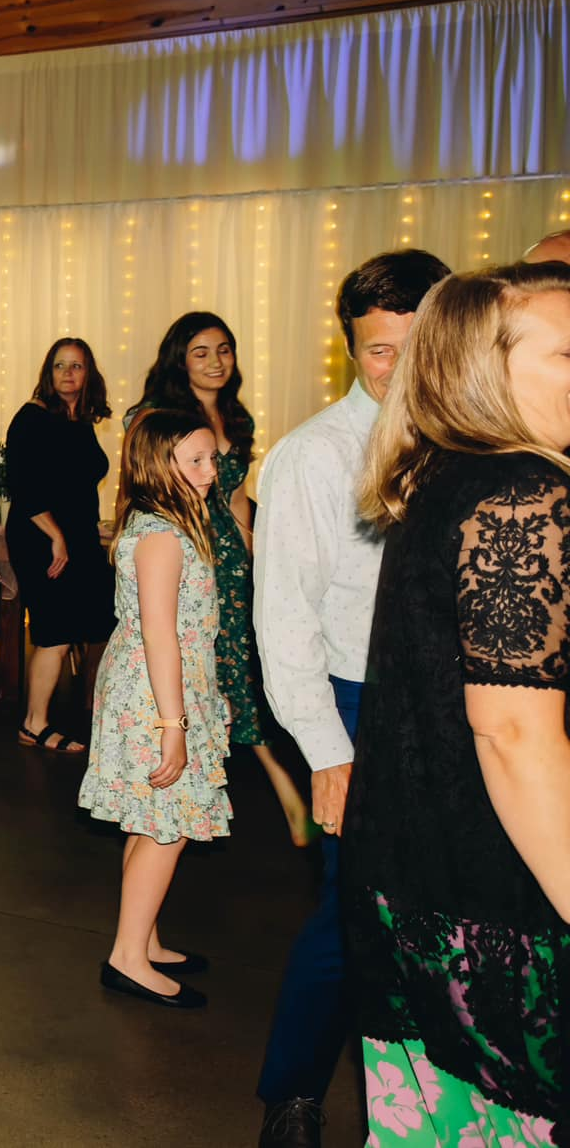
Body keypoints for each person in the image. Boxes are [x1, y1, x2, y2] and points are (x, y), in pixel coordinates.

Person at [347, 263, 570, 1145]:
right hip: (499, 901)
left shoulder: (445, 479)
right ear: (487, 368)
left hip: (416, 889)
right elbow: (514, 733)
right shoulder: (524, 494)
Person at [251, 249, 449, 1148]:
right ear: (350, 351)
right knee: (349, 911)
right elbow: (284, 624)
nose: (400, 369)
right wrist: (328, 751)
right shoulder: (312, 458)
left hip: (458, 708)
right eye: (379, 352)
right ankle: (292, 1094)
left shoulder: (476, 444)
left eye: (416, 346)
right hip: (357, 707)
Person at [133, 314, 310, 844]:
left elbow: (235, 501)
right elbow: (143, 488)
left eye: (224, 350)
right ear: (179, 359)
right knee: (205, 668)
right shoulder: (158, 417)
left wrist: (262, 560)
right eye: (201, 352)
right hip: (185, 555)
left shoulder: (235, 418)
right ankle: (257, 787)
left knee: (244, 669)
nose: (215, 361)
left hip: (232, 562)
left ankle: (263, 788)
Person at [77, 409, 230, 1010]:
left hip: (159, 682)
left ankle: (144, 937)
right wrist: (175, 726)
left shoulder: (163, 522)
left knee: (151, 820)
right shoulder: (162, 535)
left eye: (211, 458)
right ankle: (127, 958)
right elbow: (160, 635)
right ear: (155, 465)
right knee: (169, 824)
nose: (210, 472)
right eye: (195, 460)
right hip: (157, 691)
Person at [4, 338, 117, 754]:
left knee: (102, 618)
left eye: (77, 366)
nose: (68, 373)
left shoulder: (80, 420)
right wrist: (56, 538)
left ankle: (101, 709)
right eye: (59, 366)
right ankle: (34, 724)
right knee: (54, 630)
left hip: (79, 538)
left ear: (89, 373)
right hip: (42, 537)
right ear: (47, 373)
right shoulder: (32, 418)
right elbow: (23, 486)